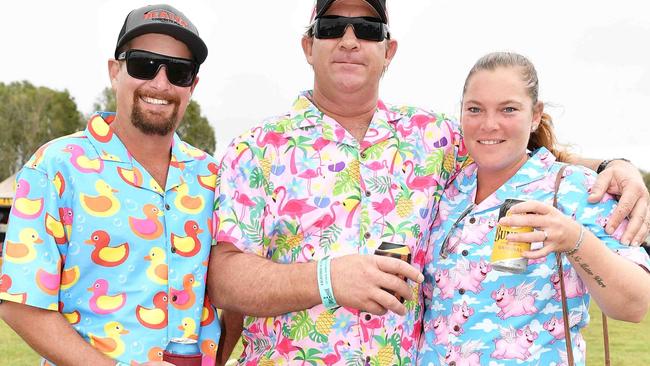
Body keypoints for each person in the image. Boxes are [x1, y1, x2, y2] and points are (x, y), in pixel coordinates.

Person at [208, 1, 650, 364]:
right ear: (308, 45)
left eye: (366, 28)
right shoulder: (256, 149)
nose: (348, 40)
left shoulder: (432, 138)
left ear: (389, 50)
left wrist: (614, 164)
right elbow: (225, 279)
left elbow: (507, 150)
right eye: (331, 27)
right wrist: (326, 279)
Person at [0, 4, 222, 366]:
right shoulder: (55, 168)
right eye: (143, 65)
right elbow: (20, 304)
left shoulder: (214, 178)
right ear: (114, 71)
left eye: (179, 72)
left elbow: (235, 299)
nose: (160, 83)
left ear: (192, 86)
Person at [418, 52, 650, 365]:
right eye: (475, 109)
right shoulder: (445, 189)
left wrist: (575, 240)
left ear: (535, 115)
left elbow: (634, 305)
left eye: (508, 109)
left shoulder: (575, 189)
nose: (489, 124)